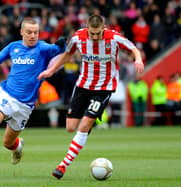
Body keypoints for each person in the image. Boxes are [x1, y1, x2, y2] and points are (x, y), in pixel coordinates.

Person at [38, 14, 144, 179]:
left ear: (104, 28)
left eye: (98, 33)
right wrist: (51, 70)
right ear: (87, 28)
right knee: (70, 127)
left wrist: (138, 59)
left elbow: (133, 48)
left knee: (85, 124)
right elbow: (68, 55)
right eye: (92, 33)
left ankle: (63, 165)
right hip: (83, 86)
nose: (95, 37)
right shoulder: (78, 37)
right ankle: (90, 122)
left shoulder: (114, 37)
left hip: (104, 87)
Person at [0, 18, 66, 172]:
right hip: (7, 94)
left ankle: (18, 147)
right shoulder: (13, 47)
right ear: (22, 32)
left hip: (25, 105)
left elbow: (61, 50)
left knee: (8, 143)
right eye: (29, 32)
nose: (33, 35)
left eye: (36, 32)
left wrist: (62, 44)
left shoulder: (43, 48)